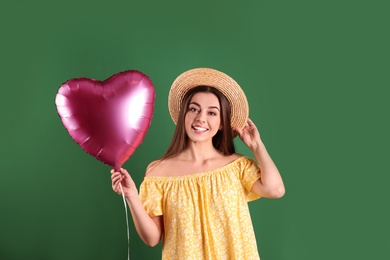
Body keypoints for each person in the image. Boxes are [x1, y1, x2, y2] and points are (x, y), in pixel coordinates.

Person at [111, 68, 285, 260]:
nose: (201, 118)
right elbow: (152, 239)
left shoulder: (237, 167)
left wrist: (257, 146)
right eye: (194, 109)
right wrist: (132, 197)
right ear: (183, 115)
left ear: (221, 123)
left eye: (212, 113)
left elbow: (275, 190)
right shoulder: (159, 173)